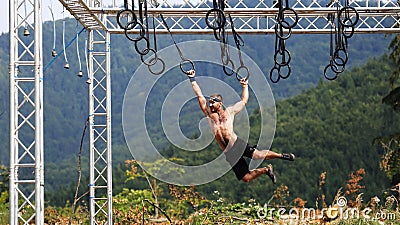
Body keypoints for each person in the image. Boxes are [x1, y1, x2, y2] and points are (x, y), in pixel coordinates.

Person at [187, 70, 295, 183]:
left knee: (258, 155)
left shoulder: (229, 112)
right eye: (209, 103)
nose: (210, 105)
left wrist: (245, 86)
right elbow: (199, 95)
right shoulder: (209, 114)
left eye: (212, 103)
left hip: (237, 144)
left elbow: (244, 101)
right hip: (229, 152)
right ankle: (266, 170)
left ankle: (281, 156)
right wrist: (192, 79)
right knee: (246, 178)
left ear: (219, 103)